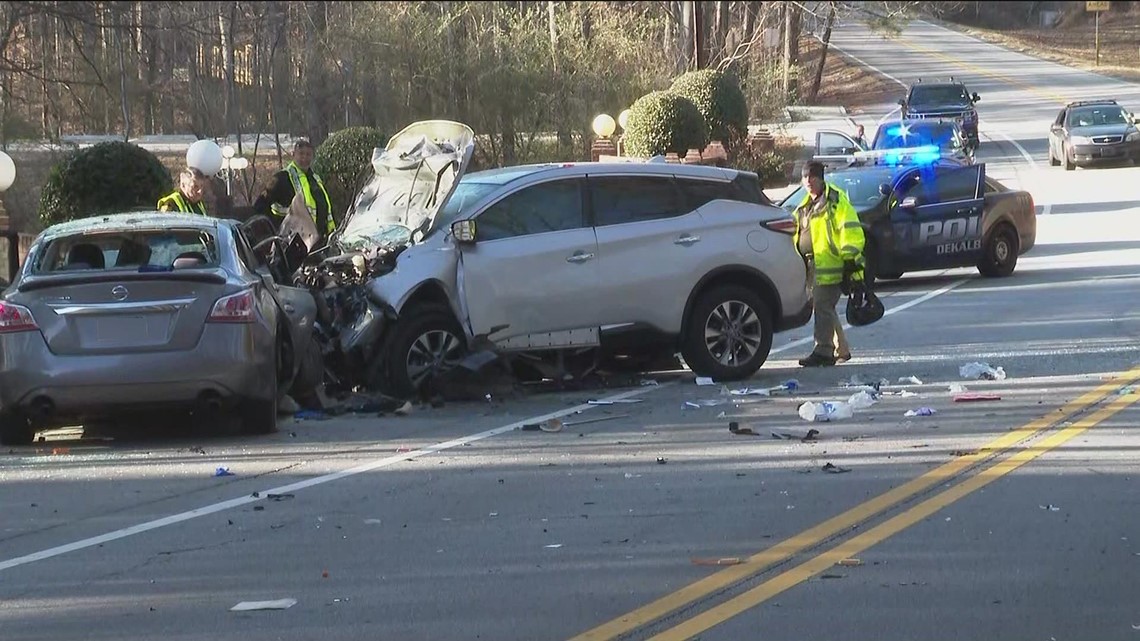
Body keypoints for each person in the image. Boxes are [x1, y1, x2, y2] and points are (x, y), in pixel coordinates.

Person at [792, 161, 866, 367]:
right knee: (825, 307)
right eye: (805, 177)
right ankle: (842, 349)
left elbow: (850, 230)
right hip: (812, 265)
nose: (808, 181)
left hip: (832, 264)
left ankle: (823, 350)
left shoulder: (835, 201)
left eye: (812, 177)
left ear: (821, 178)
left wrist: (849, 259)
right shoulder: (804, 205)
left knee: (823, 306)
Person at [252, 138, 335, 240]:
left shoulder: (316, 179)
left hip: (318, 239)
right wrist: (274, 231)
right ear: (293, 155)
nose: (304, 158)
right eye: (301, 153)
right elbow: (260, 206)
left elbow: (326, 209)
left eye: (308, 154)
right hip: (291, 241)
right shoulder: (281, 178)